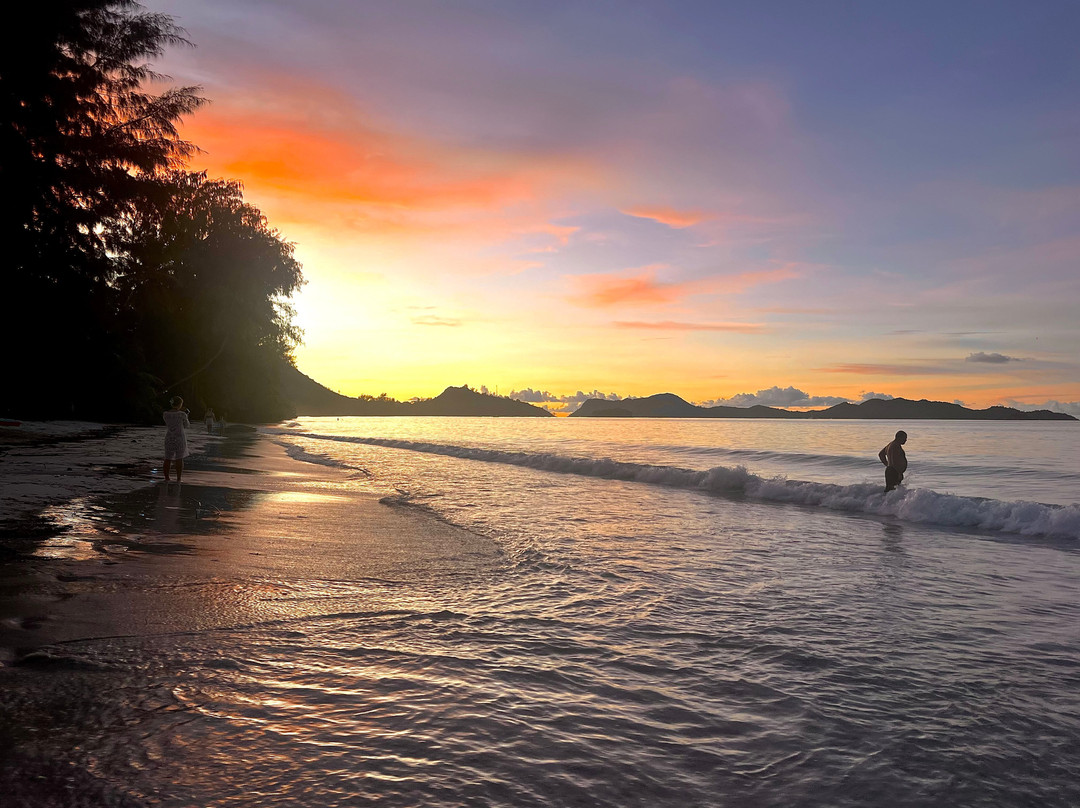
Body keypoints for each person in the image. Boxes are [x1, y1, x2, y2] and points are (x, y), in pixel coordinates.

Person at [163, 396, 191, 483]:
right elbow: (186, 425)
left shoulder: (165, 414)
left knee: (168, 458)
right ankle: (178, 478)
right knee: (179, 458)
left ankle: (167, 477)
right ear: (179, 404)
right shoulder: (182, 414)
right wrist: (186, 416)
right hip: (179, 437)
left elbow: (168, 423)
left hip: (169, 437)